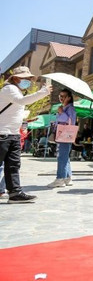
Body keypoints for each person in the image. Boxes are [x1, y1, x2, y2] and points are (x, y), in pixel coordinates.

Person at [0, 66, 52, 203]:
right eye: (25, 78)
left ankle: (15, 193)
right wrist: (43, 92)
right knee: (10, 165)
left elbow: (12, 113)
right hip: (3, 133)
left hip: (12, 134)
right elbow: (22, 101)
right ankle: (14, 192)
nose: (28, 81)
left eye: (29, 78)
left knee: (13, 165)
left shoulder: (17, 91)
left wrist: (25, 120)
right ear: (16, 78)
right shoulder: (9, 89)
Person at [47, 88, 77, 188]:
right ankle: (67, 177)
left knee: (61, 157)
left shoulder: (70, 108)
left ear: (69, 97)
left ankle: (60, 179)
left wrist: (61, 112)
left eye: (63, 96)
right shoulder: (65, 107)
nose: (61, 98)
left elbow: (70, 121)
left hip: (65, 134)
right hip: (64, 135)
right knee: (65, 156)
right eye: (60, 96)